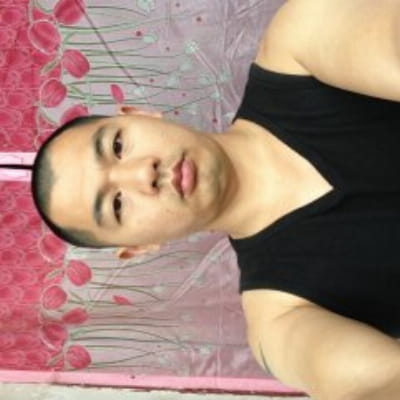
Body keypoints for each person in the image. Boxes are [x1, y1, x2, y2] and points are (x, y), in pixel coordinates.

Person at [30, 1, 400, 399]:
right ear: (140, 247)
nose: (142, 174)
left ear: (141, 114)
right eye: (116, 205)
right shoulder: (279, 319)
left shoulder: (297, 45)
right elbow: (373, 384)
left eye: (118, 145)